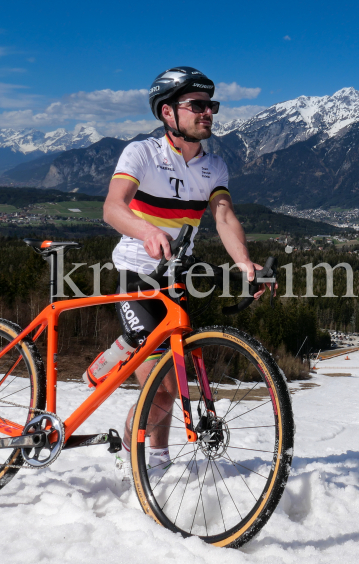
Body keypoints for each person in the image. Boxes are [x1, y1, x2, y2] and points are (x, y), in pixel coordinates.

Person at [101, 66, 272, 476]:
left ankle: (147, 454)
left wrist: (244, 262)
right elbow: (112, 207)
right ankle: (145, 464)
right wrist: (146, 231)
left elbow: (224, 216)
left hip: (175, 279)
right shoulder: (141, 153)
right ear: (167, 113)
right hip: (137, 275)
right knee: (161, 387)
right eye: (197, 105)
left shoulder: (215, 167)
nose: (208, 112)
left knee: (170, 385)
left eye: (211, 105)